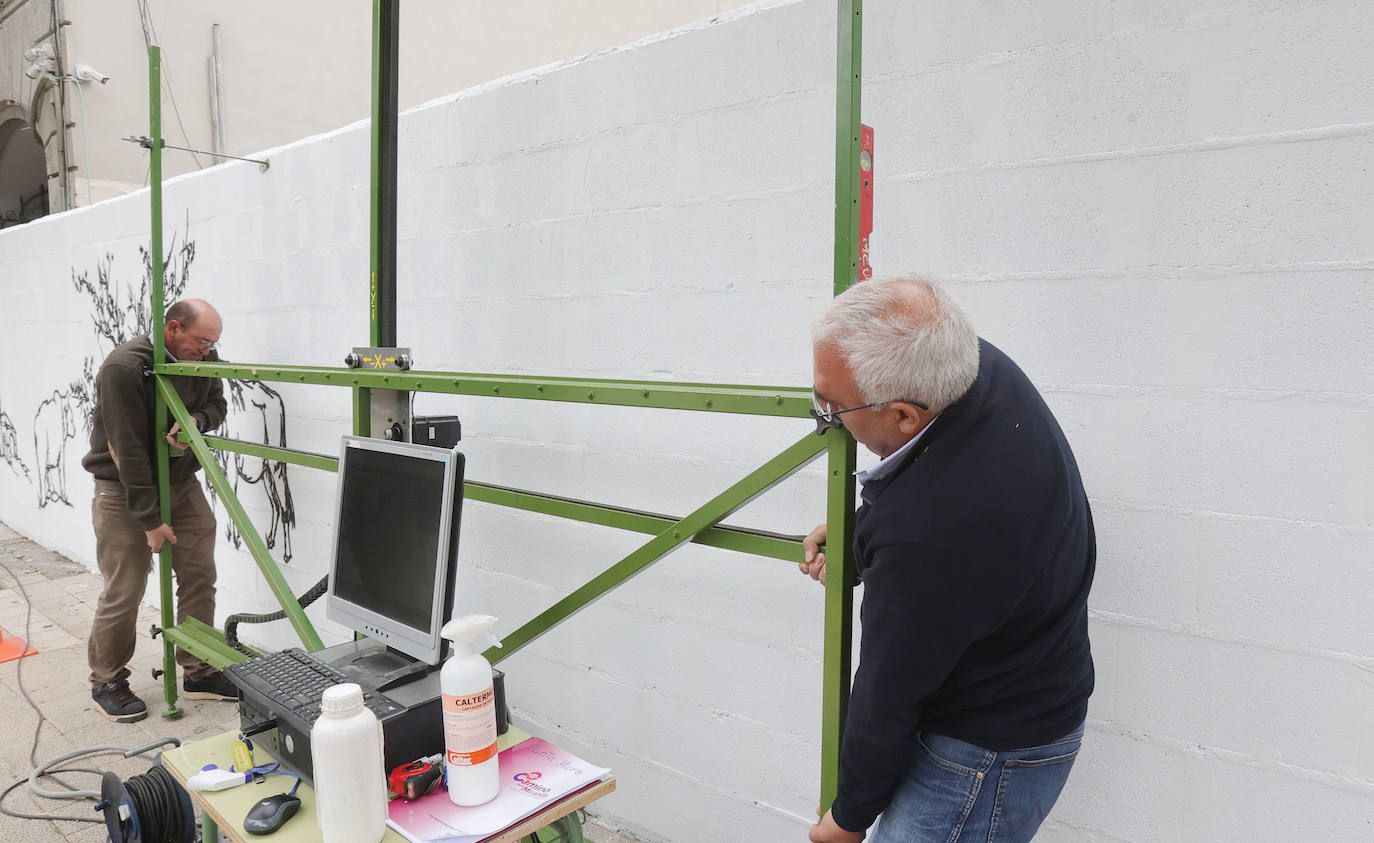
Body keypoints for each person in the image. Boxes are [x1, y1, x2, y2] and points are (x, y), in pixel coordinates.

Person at [801, 278, 1095, 843]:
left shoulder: (929, 533)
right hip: (1027, 692)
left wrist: (847, 818)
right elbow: (950, 544)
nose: (827, 416)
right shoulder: (974, 367)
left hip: (987, 755)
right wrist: (868, 542)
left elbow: (887, 691)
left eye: (833, 405)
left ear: (906, 415)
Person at [83, 298, 239, 722]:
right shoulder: (124, 368)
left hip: (181, 481)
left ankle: (199, 669)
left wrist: (196, 421)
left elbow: (218, 403)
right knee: (125, 588)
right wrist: (150, 520)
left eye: (213, 344)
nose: (207, 351)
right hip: (121, 488)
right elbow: (127, 451)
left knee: (199, 575)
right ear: (172, 329)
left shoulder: (204, 356)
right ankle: (107, 679)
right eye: (201, 341)